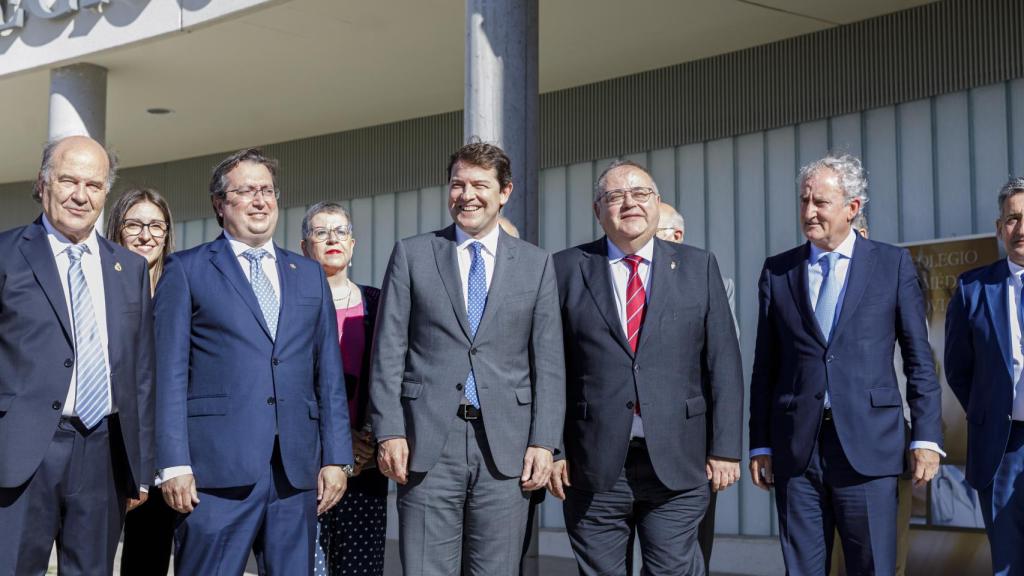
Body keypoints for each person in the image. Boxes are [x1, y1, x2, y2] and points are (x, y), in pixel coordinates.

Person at [369, 141, 565, 576]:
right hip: (426, 443)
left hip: (506, 448)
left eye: (480, 185)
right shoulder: (413, 254)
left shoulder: (536, 264)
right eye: (458, 184)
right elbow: (388, 351)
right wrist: (389, 431)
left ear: (505, 192)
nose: (467, 195)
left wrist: (544, 441)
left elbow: (549, 362)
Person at [155, 148, 352, 575]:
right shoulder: (187, 270)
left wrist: (337, 457)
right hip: (214, 476)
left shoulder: (308, 273)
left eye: (267, 190)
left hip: (295, 475)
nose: (260, 201)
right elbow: (168, 374)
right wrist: (173, 463)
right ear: (219, 204)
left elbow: (328, 375)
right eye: (246, 191)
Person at [748, 153, 943, 575]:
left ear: (852, 208)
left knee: (872, 565)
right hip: (797, 450)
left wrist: (926, 437)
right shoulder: (778, 271)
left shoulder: (891, 265)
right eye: (804, 201)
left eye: (821, 202)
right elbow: (766, 366)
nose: (809, 212)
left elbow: (918, 359)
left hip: (870, 447)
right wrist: (760, 443)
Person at [549, 160, 744, 575]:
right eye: (615, 196)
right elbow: (552, 366)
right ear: (597, 210)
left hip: (679, 461)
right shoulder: (565, 269)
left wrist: (725, 448)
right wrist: (554, 448)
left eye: (640, 194)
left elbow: (723, 362)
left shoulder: (698, 266)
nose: (629, 203)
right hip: (593, 464)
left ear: (657, 204)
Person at [0, 135, 154, 574]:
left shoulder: (129, 268)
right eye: (69, 180)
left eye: (94, 184)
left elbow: (141, 373)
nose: (80, 195)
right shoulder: (7, 254)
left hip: (103, 450)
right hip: (20, 451)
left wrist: (138, 466)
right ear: (42, 183)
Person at [651, 201, 738, 572]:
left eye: (654, 235)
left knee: (688, 552)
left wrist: (723, 446)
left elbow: (722, 365)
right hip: (629, 440)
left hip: (689, 443)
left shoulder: (707, 277)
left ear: (676, 236)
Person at [301, 202, 387, 576]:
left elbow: (390, 377)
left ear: (352, 246)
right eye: (321, 232)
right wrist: (335, 444)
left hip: (365, 464)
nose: (332, 238)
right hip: (305, 465)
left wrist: (364, 440)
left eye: (340, 232)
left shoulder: (378, 304)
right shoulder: (292, 306)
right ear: (305, 248)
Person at [945, 176, 1024, 575]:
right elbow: (958, 369)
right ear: (999, 227)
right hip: (1003, 446)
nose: (1021, 229)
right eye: (1012, 219)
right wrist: (989, 408)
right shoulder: (973, 288)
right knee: (1008, 562)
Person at [828, 212, 915, 576]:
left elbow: (918, 363)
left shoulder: (891, 282)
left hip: (886, 437)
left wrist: (920, 437)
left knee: (883, 553)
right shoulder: (823, 292)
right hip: (824, 439)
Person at [107, 188, 177, 576]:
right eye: (134, 224)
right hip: (108, 444)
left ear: (167, 234)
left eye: (156, 225)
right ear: (117, 229)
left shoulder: (181, 288)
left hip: (167, 451)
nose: (145, 234)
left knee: (149, 557)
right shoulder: (101, 285)